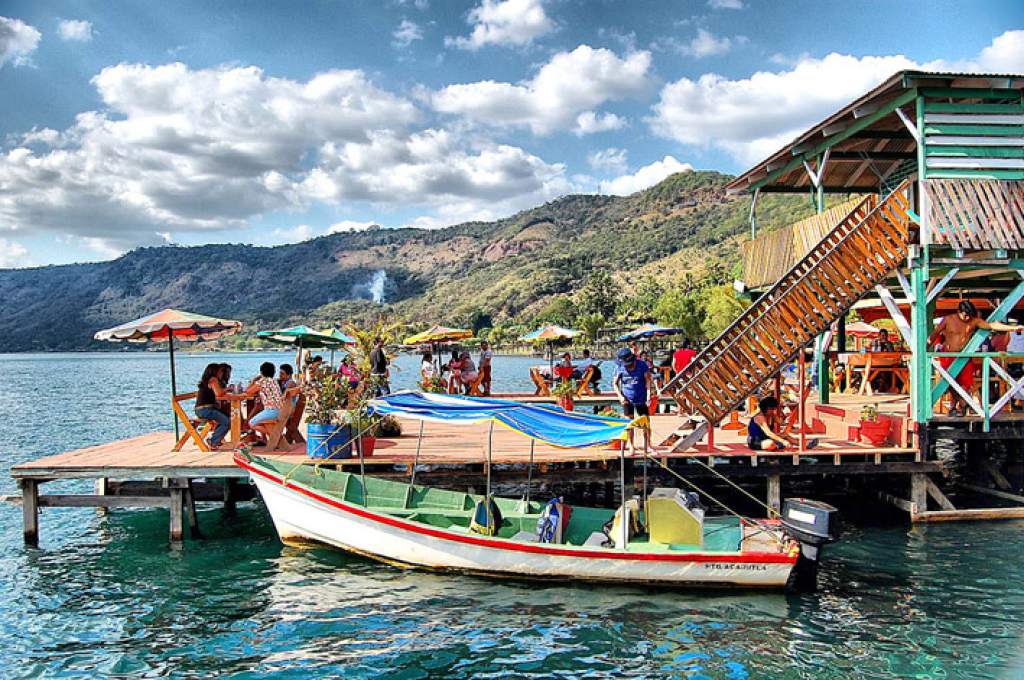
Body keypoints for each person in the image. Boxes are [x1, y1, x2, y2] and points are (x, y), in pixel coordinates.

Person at [928, 301, 1024, 416]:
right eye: (965, 315)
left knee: (967, 383)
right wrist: (924, 348)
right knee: (949, 382)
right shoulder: (948, 319)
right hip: (948, 355)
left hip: (964, 356)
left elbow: (992, 325)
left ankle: (962, 405)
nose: (967, 317)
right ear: (959, 312)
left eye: (969, 315)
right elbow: (935, 333)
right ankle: (957, 406)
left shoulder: (974, 321)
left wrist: (1012, 328)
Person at [612, 347, 652, 455]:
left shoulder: (642, 365)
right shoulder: (619, 367)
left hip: (641, 397)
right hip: (627, 399)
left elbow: (648, 380)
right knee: (629, 423)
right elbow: (615, 383)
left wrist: (648, 395)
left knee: (646, 423)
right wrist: (620, 397)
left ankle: (648, 445)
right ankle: (631, 446)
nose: (628, 366)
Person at [195, 362, 242, 449]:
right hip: (205, 410)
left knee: (229, 417)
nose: (221, 374)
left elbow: (218, 393)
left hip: (203, 409)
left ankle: (215, 439)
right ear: (215, 372)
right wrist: (228, 388)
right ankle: (213, 442)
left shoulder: (207, 380)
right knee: (227, 421)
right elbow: (219, 393)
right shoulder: (213, 379)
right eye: (220, 372)